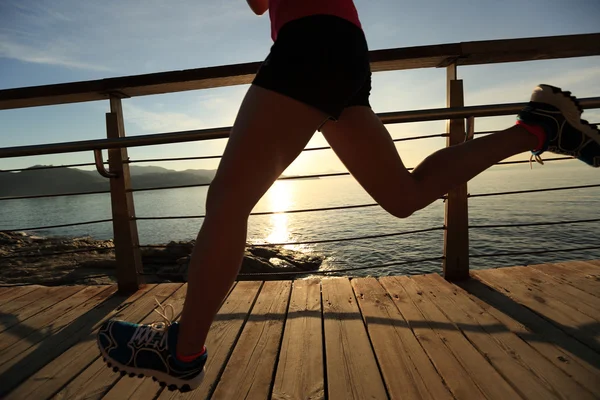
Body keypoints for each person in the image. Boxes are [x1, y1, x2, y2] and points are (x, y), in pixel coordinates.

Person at [96, 0, 600, 393]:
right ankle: (537, 130)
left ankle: (181, 354)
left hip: (310, 45)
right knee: (403, 195)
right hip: (342, 47)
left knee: (227, 203)